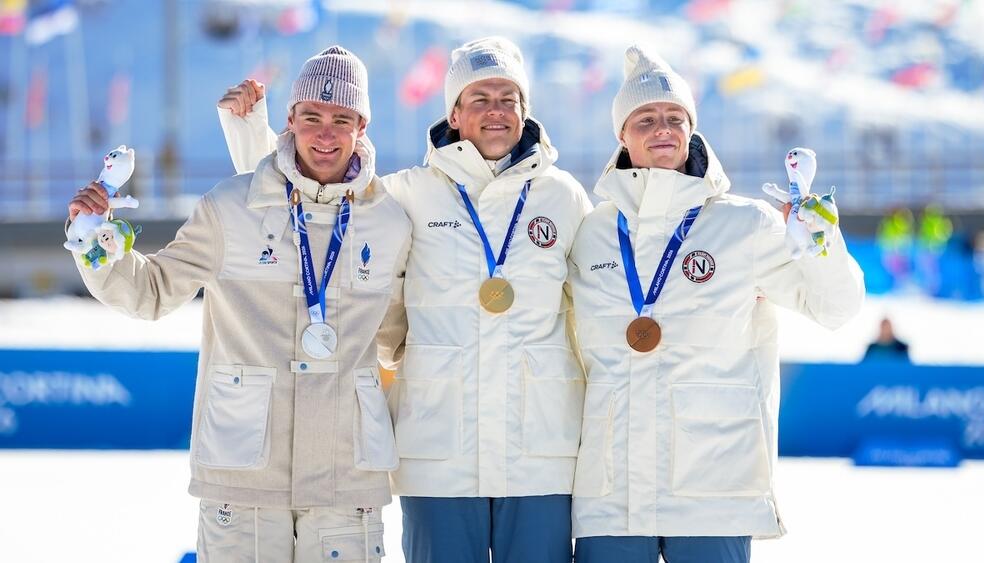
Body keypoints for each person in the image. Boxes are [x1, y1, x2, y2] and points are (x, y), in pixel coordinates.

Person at [217, 36, 593, 563]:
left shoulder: (564, 196)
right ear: (454, 114)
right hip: (437, 451)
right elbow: (311, 205)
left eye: (507, 99)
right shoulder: (406, 194)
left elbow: (605, 298)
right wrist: (250, 137)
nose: (495, 111)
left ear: (524, 112)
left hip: (543, 451)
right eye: (479, 98)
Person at [69, 46, 412, 563]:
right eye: (312, 117)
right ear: (290, 119)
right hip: (245, 473)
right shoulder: (230, 206)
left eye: (341, 119)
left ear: (362, 126)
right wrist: (95, 241)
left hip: (347, 477)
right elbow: (150, 292)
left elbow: (401, 341)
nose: (325, 133)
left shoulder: (389, 222)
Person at [567, 45, 865, 563]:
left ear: (691, 129)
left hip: (715, 488)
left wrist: (821, 244)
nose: (662, 129)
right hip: (611, 492)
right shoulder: (591, 233)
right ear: (622, 135)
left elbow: (835, 309)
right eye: (645, 119)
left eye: (674, 118)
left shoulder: (745, 225)